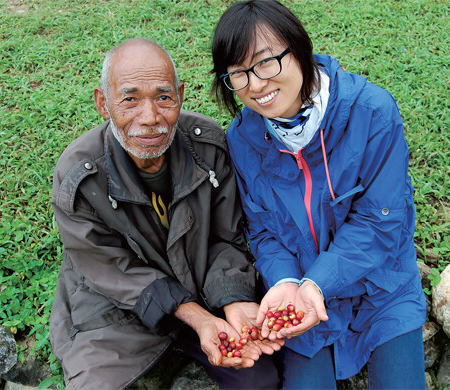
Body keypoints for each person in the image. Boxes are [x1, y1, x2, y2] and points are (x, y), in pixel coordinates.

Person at [210, 1, 427, 389]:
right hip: (299, 298)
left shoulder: (372, 112)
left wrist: (318, 283)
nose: (256, 84)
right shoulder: (243, 139)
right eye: (238, 74)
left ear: (299, 49)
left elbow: (382, 222)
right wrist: (285, 283)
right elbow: (261, 230)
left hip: (381, 289)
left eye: (265, 62)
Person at [49, 38, 282, 390]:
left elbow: (225, 238)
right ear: (103, 102)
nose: (150, 118)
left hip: (204, 289)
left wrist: (233, 300)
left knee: (260, 379)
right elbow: (110, 269)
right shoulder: (79, 175)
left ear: (181, 95)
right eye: (129, 99)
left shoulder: (207, 147)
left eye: (163, 97)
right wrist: (197, 318)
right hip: (118, 310)